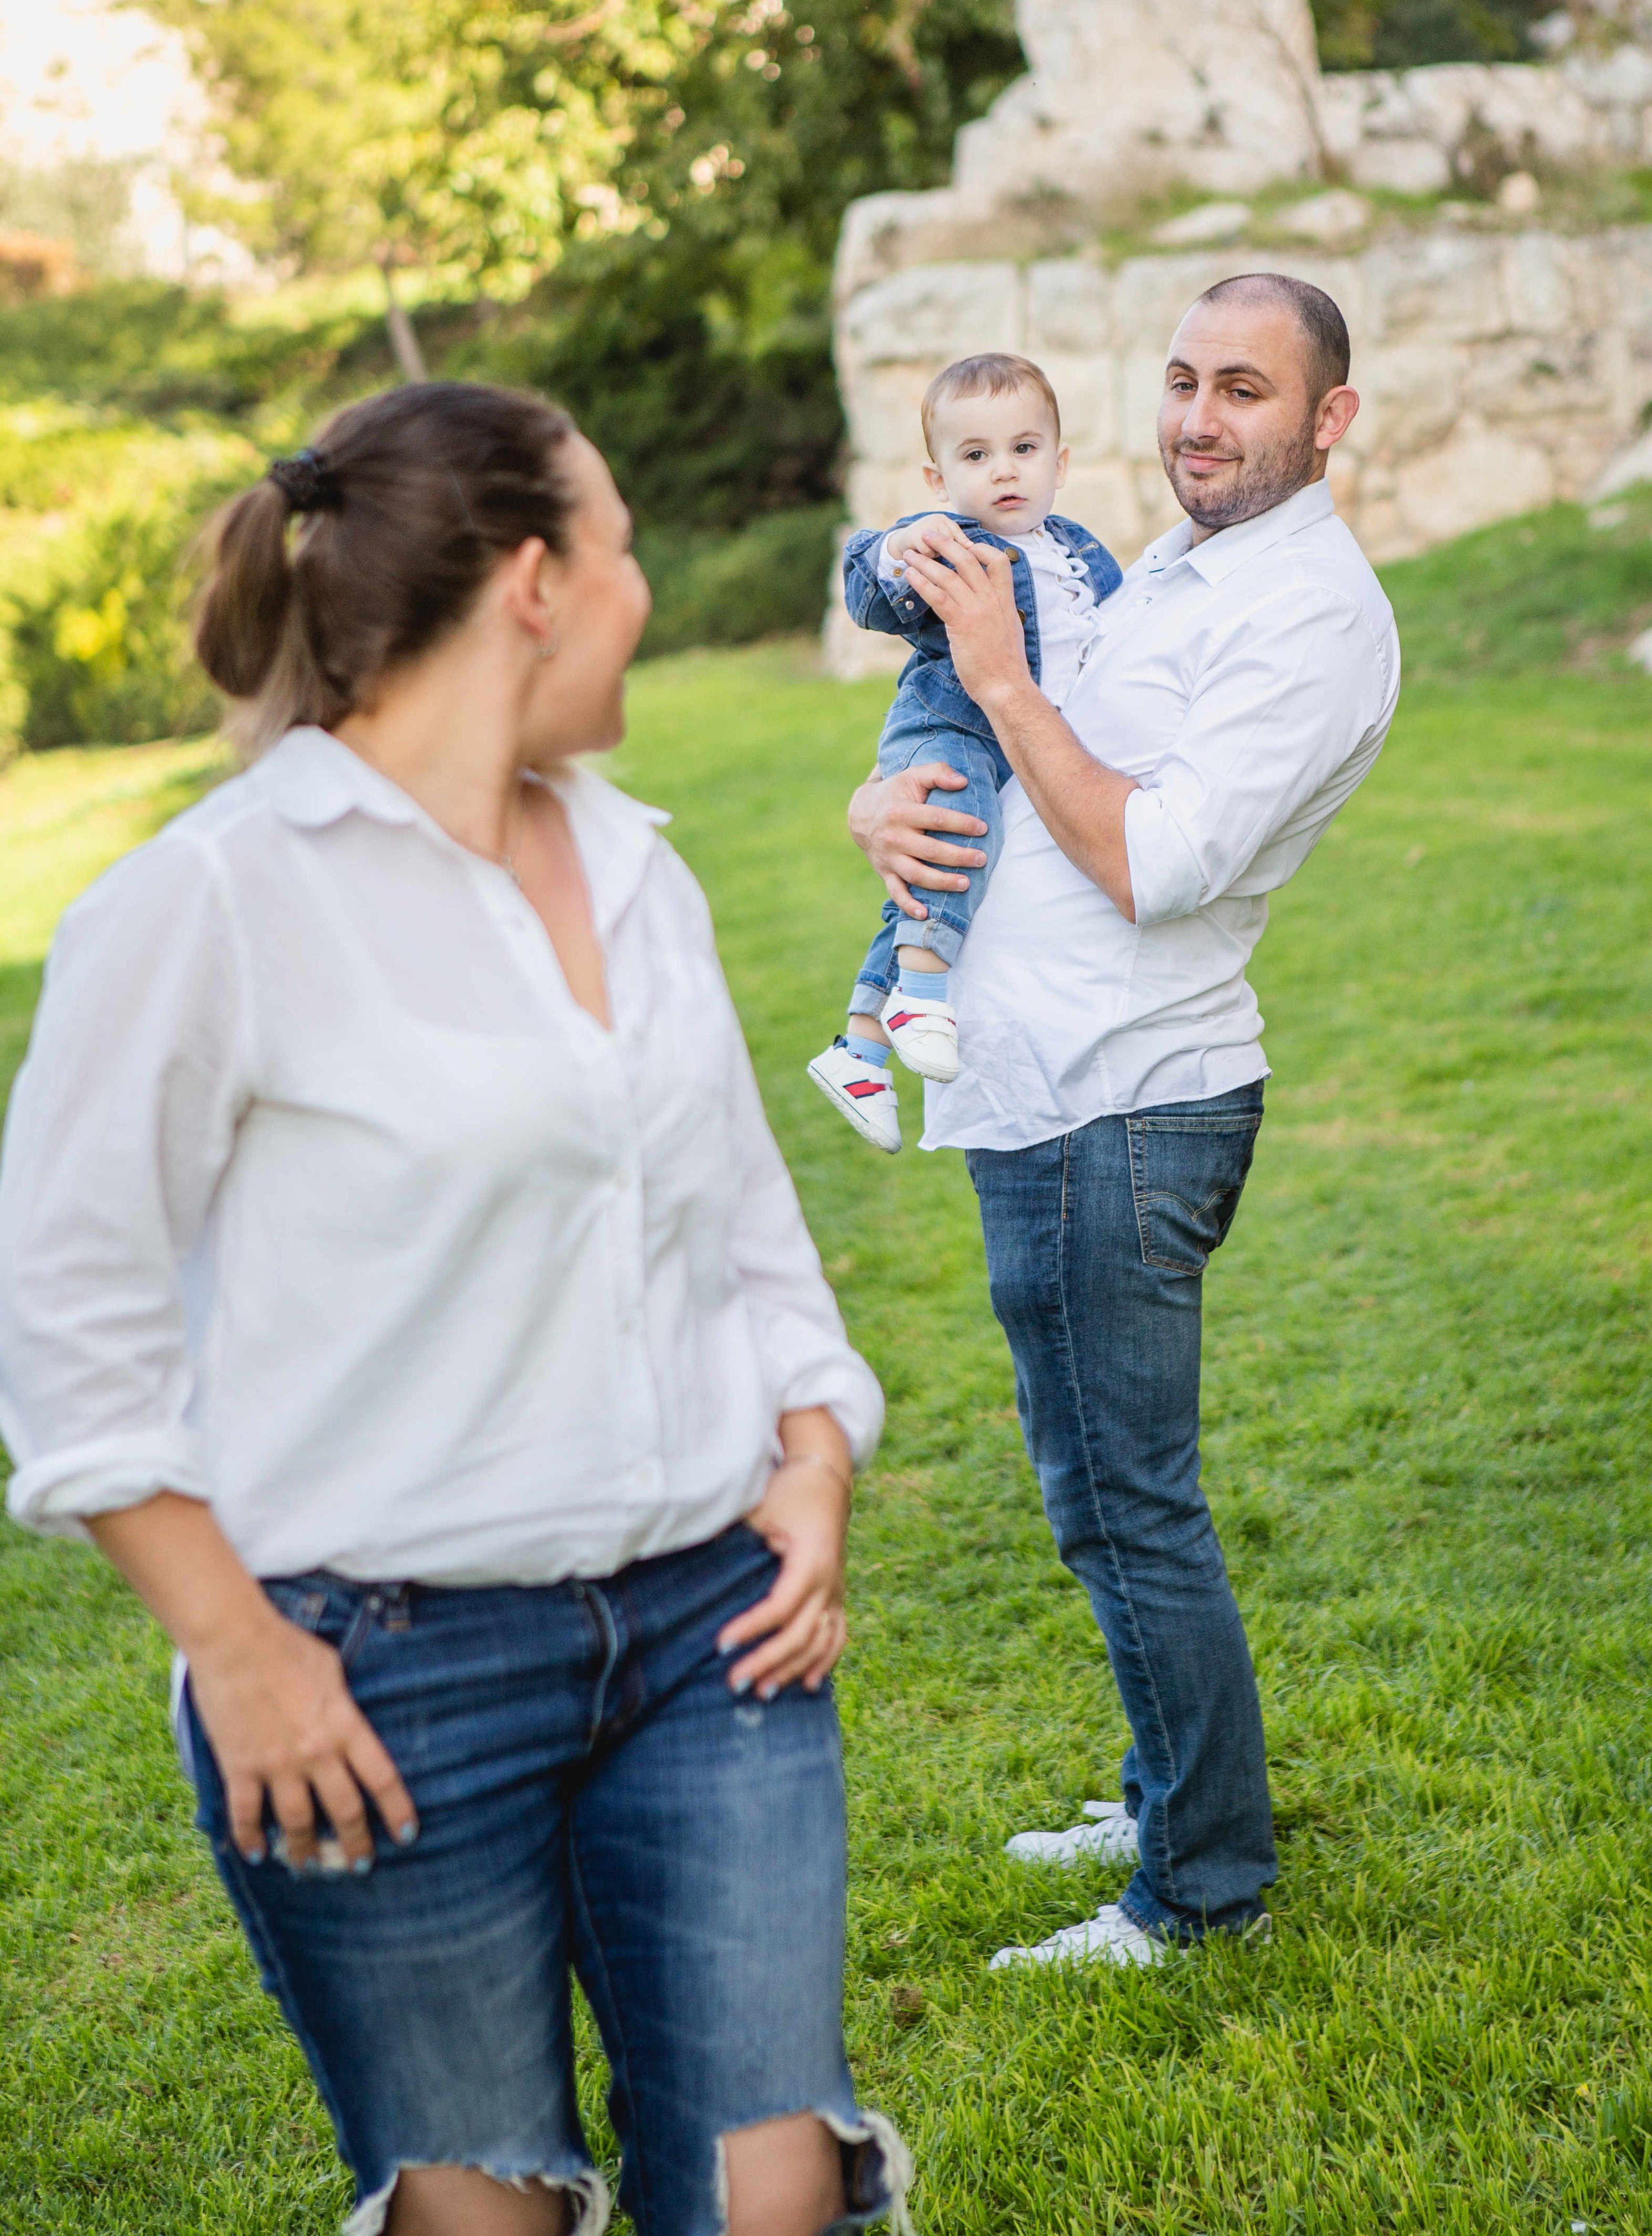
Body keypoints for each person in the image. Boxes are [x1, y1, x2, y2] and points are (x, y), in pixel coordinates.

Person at [0, 382, 911, 2236]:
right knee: (482, 2214)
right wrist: (238, 1648)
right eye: (625, 548)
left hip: (712, 1634)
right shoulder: (207, 903)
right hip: (373, 1676)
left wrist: (816, 1449)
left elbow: (742, 1216)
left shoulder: (639, 866)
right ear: (535, 584)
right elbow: (67, 1325)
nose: (647, 590)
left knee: (771, 2191)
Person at [845, 274, 1400, 1967]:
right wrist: (890, 800)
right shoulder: (1171, 560)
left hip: (1125, 1101)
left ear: (1328, 417)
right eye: (1179, 380)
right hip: (1041, 1084)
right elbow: (1010, 757)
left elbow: (1151, 860)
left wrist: (999, 677)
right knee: (1097, 1493)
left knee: (1127, 1503)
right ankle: (1174, 1787)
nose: (1197, 419)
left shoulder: (1309, 613)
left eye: (1243, 387)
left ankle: (1201, 1884)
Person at [808, 353, 1120, 1153]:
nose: (1004, 470)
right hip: (949, 729)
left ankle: (858, 1052)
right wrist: (900, 544)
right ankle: (919, 994)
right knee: (958, 836)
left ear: (1059, 464)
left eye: (1024, 449)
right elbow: (869, 592)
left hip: (1024, 745)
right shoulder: (950, 544)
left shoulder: (1081, 553)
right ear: (938, 478)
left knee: (932, 874)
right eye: (975, 455)